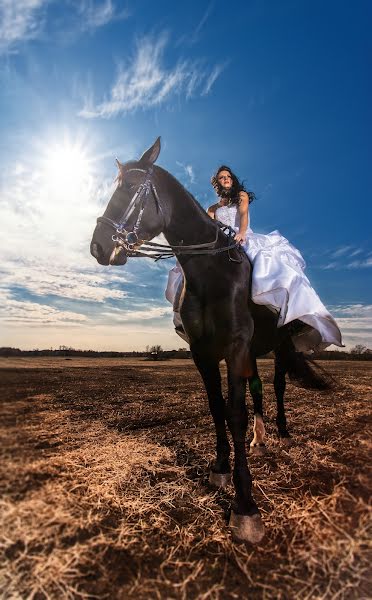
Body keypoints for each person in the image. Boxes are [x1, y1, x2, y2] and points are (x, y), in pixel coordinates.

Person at [166, 165, 343, 351]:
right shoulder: (212, 208)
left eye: (228, 176)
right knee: (188, 271)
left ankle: (294, 319)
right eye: (221, 177)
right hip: (218, 243)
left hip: (240, 237)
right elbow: (206, 228)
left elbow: (243, 216)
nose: (225, 179)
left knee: (272, 265)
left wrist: (241, 233)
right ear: (216, 183)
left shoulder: (241, 196)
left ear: (232, 180)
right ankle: (188, 319)